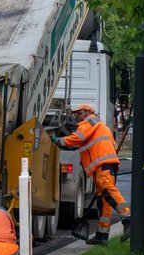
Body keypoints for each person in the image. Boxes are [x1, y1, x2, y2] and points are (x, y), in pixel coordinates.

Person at [52, 103, 131, 245]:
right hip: (106, 164)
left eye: (80, 113)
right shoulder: (100, 125)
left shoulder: (89, 121)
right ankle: (102, 235)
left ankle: (128, 219)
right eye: (76, 113)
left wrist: (58, 141)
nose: (77, 115)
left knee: (108, 190)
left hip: (103, 164)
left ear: (88, 112)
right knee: (104, 200)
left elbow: (77, 138)